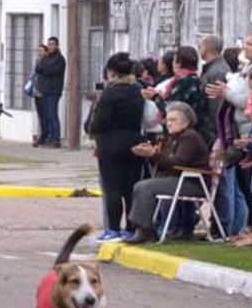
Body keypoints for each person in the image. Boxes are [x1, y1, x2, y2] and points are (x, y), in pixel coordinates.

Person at [123, 102, 210, 244]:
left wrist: (154, 154)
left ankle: (144, 230)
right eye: (167, 120)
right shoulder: (174, 138)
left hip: (192, 183)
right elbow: (164, 164)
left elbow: (177, 163)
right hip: (179, 180)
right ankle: (146, 228)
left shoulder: (190, 137)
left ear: (186, 122)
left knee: (143, 187)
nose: (168, 123)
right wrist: (150, 154)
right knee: (144, 185)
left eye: (173, 120)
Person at [86, 52, 144, 242]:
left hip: (110, 143)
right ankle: (130, 227)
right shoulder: (138, 90)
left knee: (112, 188)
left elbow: (100, 122)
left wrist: (92, 128)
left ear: (111, 72)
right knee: (130, 188)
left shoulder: (110, 93)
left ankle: (112, 228)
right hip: (134, 141)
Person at [34, 36, 65, 148]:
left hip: (53, 91)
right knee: (46, 115)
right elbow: (38, 69)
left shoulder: (59, 59)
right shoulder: (46, 58)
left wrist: (44, 68)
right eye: (49, 44)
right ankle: (49, 138)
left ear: (57, 45)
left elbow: (50, 71)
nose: (50, 46)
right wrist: (42, 59)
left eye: (52, 44)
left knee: (53, 115)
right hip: (44, 90)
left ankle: (56, 139)